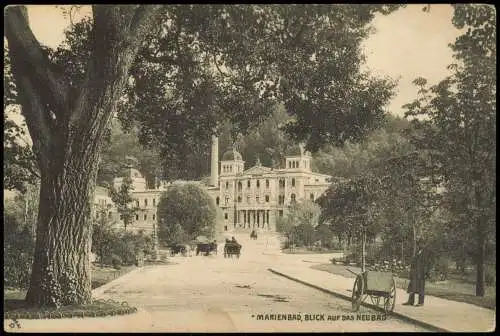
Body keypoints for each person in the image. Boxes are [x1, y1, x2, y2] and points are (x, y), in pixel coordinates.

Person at [403, 239, 427, 307]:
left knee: (421, 288)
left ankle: (421, 302)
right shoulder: (417, 252)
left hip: (421, 273)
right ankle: (410, 301)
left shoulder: (425, 253)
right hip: (415, 272)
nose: (420, 245)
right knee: (412, 287)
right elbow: (414, 262)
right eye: (419, 244)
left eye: (421, 244)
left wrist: (425, 273)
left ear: (424, 245)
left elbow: (426, 264)